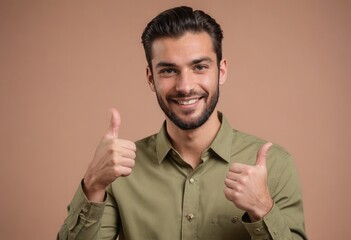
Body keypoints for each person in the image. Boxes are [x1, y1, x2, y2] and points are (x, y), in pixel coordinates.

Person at [57, 6, 307, 240]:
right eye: (168, 70)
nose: (185, 86)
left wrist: (263, 210)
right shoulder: (119, 172)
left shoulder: (275, 165)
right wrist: (92, 184)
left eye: (199, 67)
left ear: (221, 71)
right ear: (150, 78)